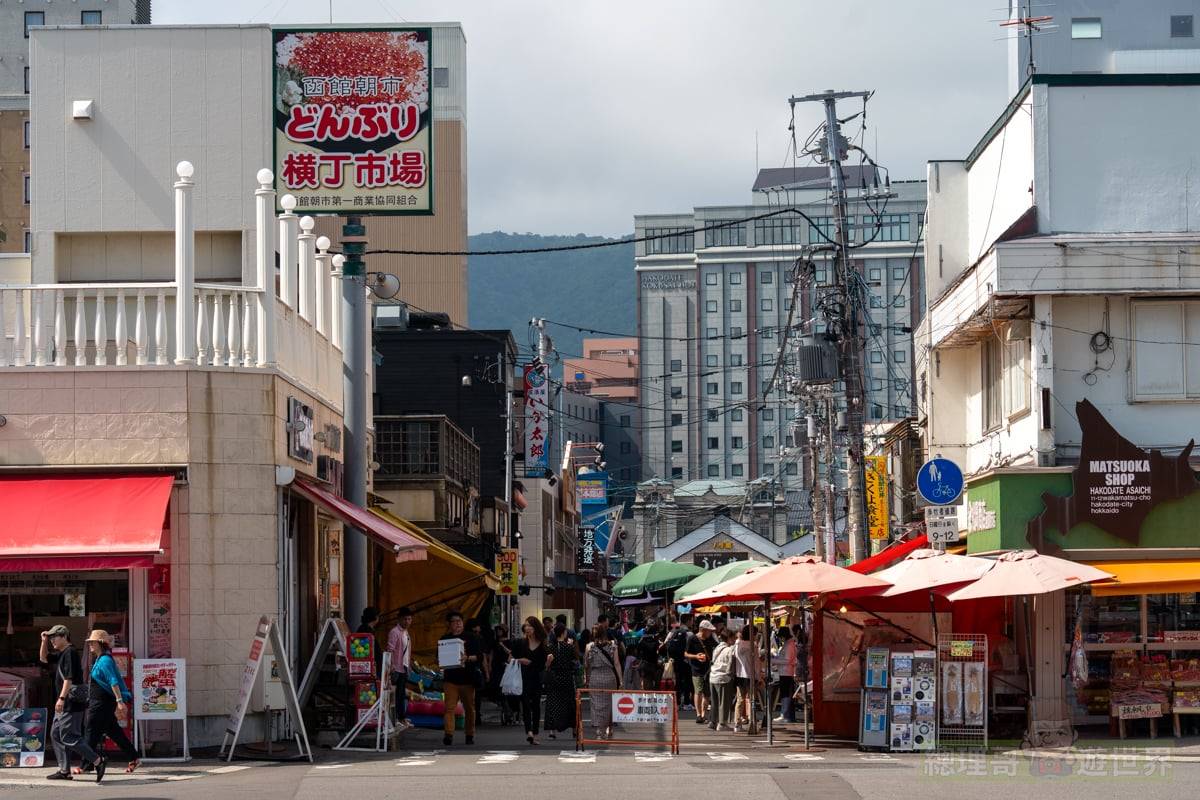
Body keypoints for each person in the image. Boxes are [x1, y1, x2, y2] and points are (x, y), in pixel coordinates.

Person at [39, 625, 106, 782]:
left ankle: (98, 761)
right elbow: (43, 659)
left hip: (70, 702)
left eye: (54, 637)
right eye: (51, 638)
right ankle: (64, 771)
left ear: (64, 637)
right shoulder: (62, 653)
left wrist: (61, 698)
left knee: (69, 736)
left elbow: (69, 678)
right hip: (64, 702)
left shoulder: (70, 653)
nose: (52, 640)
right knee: (55, 734)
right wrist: (44, 641)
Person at [79, 630, 137, 775]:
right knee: (115, 732)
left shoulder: (105, 660)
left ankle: (86, 765)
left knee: (91, 731)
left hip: (101, 703)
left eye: (92, 642)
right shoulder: (100, 659)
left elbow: (113, 681)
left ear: (100, 643)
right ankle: (134, 757)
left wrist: (119, 701)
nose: (90, 645)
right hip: (101, 702)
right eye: (90, 642)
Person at [439, 611, 483, 747]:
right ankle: (449, 734)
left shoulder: (471, 637)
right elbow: (439, 657)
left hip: (468, 679)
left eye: (460, 621)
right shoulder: (444, 639)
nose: (458, 624)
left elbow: (480, 657)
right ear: (449, 624)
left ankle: (469, 734)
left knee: (469, 708)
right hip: (450, 679)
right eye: (454, 621)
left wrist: (467, 658)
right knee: (449, 708)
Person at [510, 616, 550, 745]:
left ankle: (536, 732)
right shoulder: (520, 643)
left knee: (536, 706)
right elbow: (510, 659)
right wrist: (520, 660)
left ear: (535, 628)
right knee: (526, 705)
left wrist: (548, 662)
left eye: (530, 626)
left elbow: (544, 664)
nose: (527, 628)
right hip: (523, 678)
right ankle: (529, 732)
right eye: (526, 625)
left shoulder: (543, 644)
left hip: (537, 678)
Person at [583, 624, 622, 739]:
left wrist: (586, 677)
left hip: (595, 677)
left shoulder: (589, 646)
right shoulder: (613, 646)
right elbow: (617, 663)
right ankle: (609, 727)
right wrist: (620, 680)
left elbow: (586, 665)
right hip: (610, 677)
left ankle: (599, 731)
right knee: (610, 704)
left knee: (596, 705)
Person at [543, 623, 578, 739]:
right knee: (570, 703)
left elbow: (547, 664)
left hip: (553, 677)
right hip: (566, 677)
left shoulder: (550, 647)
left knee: (553, 702)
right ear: (564, 633)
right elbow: (575, 661)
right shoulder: (569, 647)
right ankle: (574, 729)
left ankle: (552, 731)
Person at [387, 607, 414, 732]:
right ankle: (396, 719)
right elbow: (390, 649)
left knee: (401, 694)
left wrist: (409, 666)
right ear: (399, 619)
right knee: (394, 695)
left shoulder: (406, 632)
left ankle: (401, 718)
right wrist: (391, 665)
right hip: (396, 668)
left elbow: (407, 651)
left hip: (403, 668)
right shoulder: (395, 632)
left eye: (409, 619)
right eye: (405, 619)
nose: (407, 621)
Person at [685, 620, 718, 724]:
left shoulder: (710, 638)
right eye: (709, 631)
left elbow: (718, 647)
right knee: (698, 691)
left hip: (708, 669)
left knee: (707, 693)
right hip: (696, 669)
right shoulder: (692, 638)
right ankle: (698, 714)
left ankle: (704, 715)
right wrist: (696, 656)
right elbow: (686, 654)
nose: (710, 633)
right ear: (703, 630)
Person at [489, 625, 518, 725]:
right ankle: (506, 709)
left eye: (500, 630)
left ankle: (509, 711)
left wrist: (502, 645)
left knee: (507, 689)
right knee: (498, 688)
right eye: (497, 630)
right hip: (497, 667)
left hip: (507, 667)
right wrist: (489, 666)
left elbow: (511, 653)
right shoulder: (494, 642)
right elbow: (491, 655)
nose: (498, 632)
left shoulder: (510, 642)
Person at [663, 615, 693, 710]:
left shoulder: (673, 632)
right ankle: (687, 703)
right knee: (687, 682)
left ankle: (677, 702)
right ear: (688, 621)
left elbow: (666, 644)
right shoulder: (689, 633)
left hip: (675, 661)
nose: (692, 622)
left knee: (678, 682)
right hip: (686, 661)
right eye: (692, 620)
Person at [733, 625, 758, 732]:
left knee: (740, 700)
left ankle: (737, 723)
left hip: (739, 674)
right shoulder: (753, 645)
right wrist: (759, 676)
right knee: (751, 699)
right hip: (751, 675)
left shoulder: (737, 644)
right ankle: (752, 722)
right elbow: (756, 663)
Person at [773, 626, 797, 724]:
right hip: (784, 672)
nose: (780, 638)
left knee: (786, 694)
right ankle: (785, 714)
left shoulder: (789, 645)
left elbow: (787, 660)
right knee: (785, 694)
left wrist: (774, 660)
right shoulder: (787, 644)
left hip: (786, 672)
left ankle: (785, 714)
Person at [636, 624, 662, 690]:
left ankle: (648, 697)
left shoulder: (642, 641)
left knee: (647, 685)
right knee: (657, 685)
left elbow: (638, 649)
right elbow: (658, 650)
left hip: (646, 664)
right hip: (654, 664)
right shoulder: (656, 641)